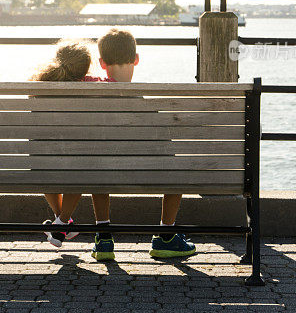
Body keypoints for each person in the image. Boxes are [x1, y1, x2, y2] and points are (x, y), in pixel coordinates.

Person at [90, 28, 196, 261]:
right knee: (176, 167)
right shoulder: (148, 107)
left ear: (101, 62)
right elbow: (168, 151)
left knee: (96, 163)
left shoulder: (93, 98)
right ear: (136, 59)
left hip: (102, 173)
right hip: (149, 174)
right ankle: (166, 235)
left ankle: (104, 236)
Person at [29, 39, 97, 247]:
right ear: (85, 69)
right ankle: (61, 223)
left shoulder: (39, 85)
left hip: (42, 161)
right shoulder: (92, 86)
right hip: (76, 162)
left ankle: (61, 222)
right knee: (81, 167)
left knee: (45, 162)